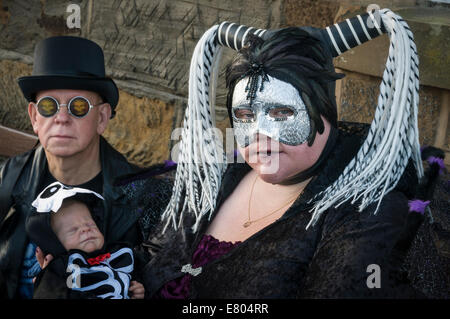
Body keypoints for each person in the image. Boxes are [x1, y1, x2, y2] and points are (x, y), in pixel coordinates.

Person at [141, 9, 443, 298]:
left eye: (282, 111)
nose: (259, 133)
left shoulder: (366, 212)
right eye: (245, 115)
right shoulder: (210, 181)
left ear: (326, 115)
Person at [0, 36, 172, 298]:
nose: (61, 118)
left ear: (102, 118)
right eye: (49, 106)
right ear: (35, 117)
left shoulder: (143, 199)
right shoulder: (9, 179)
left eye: (78, 106)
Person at [26, 182, 145, 299]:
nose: (85, 230)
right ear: (55, 243)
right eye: (73, 230)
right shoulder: (61, 269)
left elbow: (137, 273)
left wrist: (137, 288)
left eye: (90, 224)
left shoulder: (120, 251)